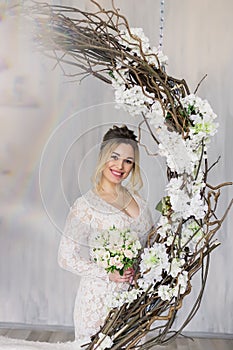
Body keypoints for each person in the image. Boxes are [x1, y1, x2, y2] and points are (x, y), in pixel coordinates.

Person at [58, 125, 153, 344]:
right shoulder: (85, 206)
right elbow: (65, 257)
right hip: (98, 302)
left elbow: (150, 247)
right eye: (115, 157)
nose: (120, 166)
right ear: (103, 156)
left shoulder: (140, 202)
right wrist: (106, 273)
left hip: (133, 303)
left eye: (128, 161)